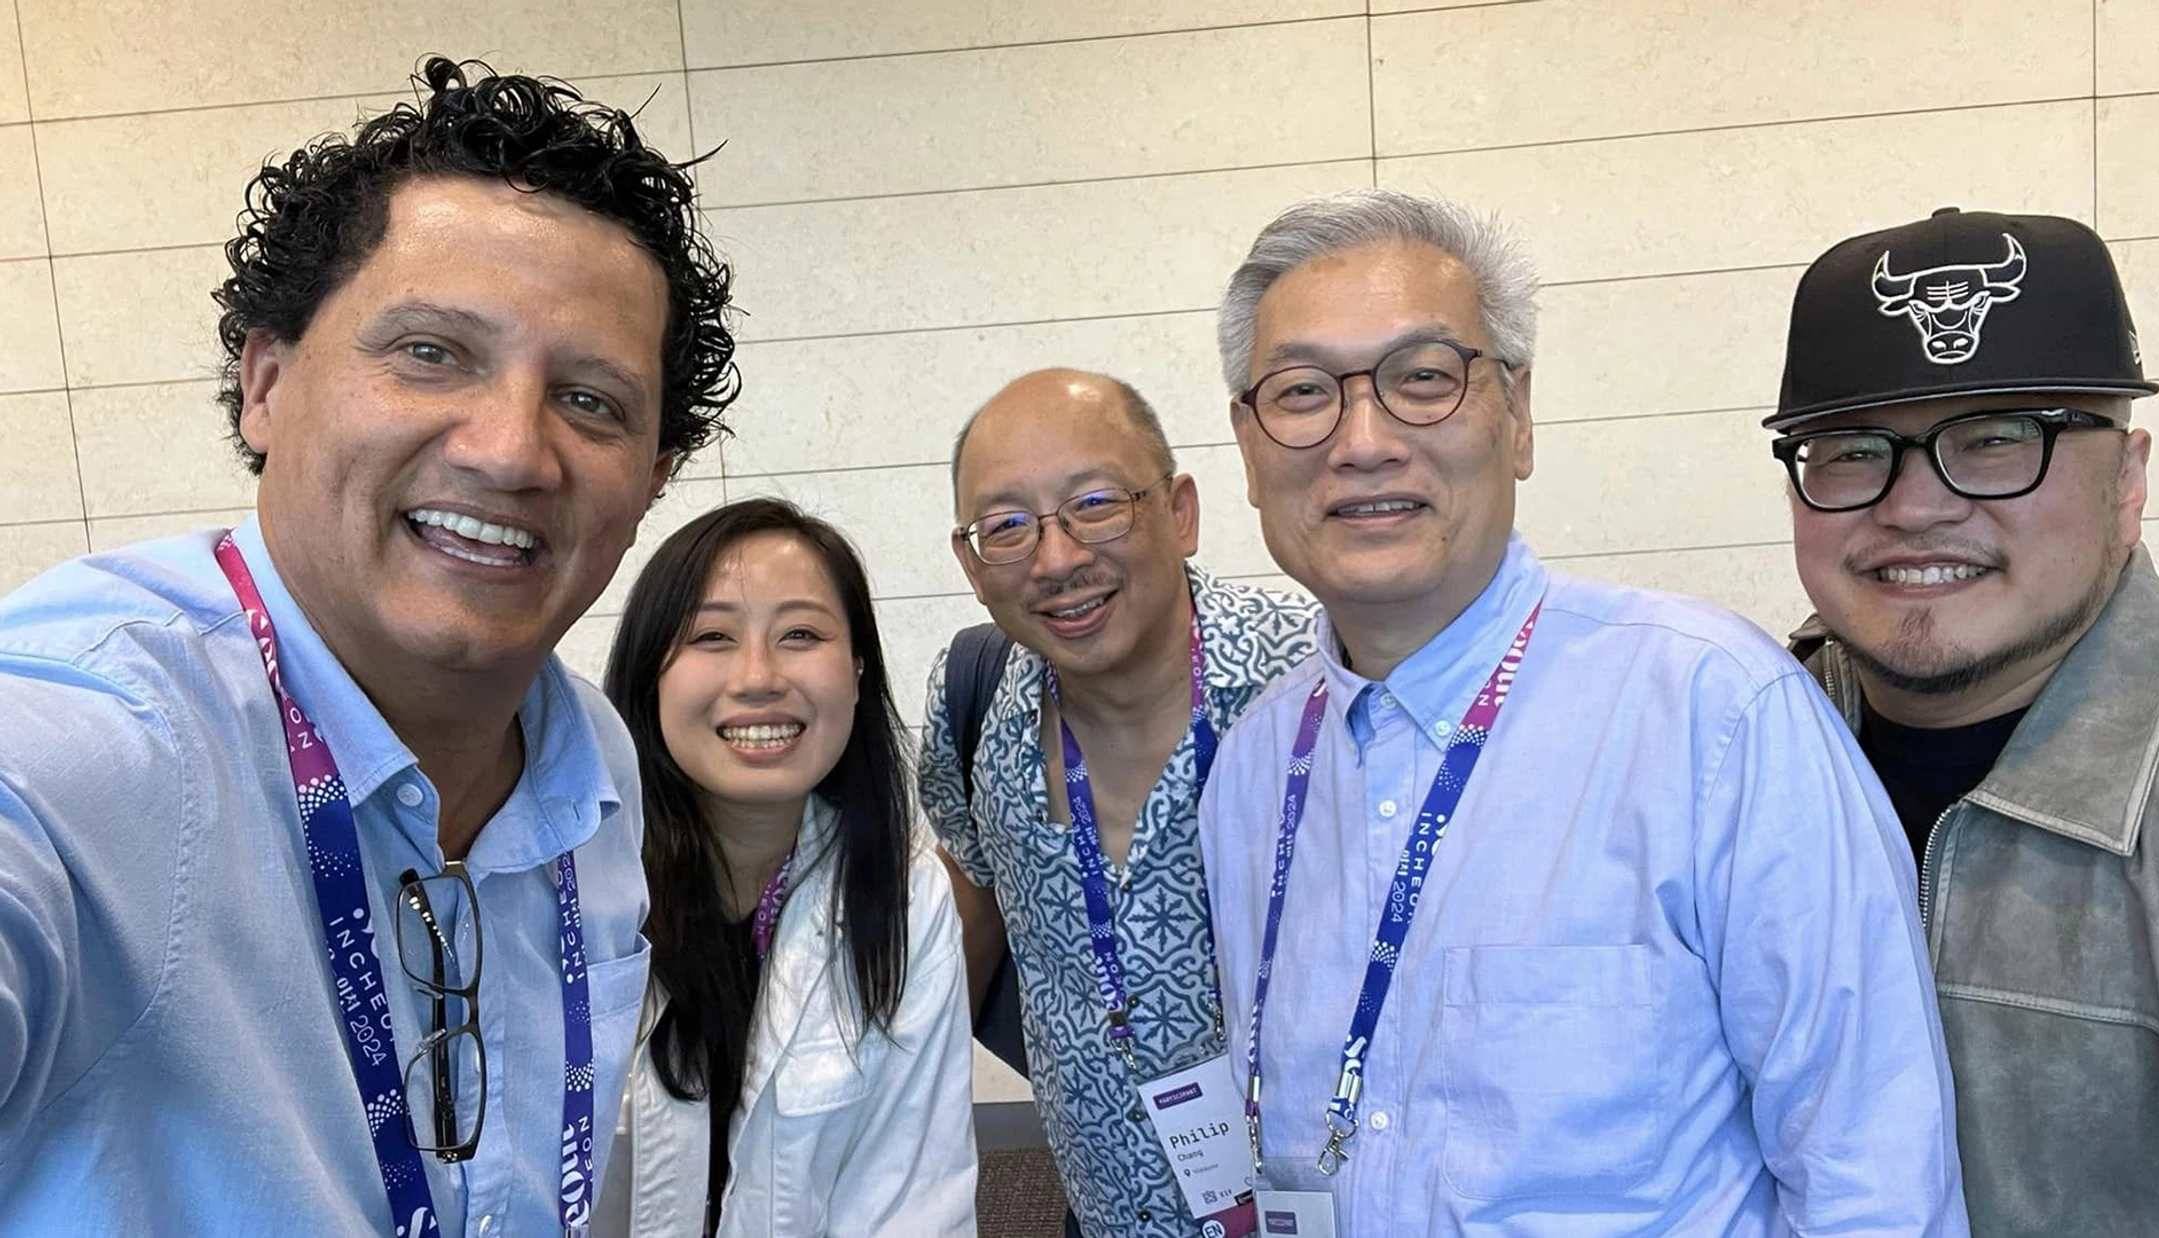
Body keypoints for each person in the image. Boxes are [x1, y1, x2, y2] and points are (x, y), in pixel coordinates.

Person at [0, 57, 736, 1235]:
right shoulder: (106, 733)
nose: (511, 451)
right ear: (268, 382)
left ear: (648, 482)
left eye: (591, 399)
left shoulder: (588, 758)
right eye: (431, 351)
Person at [1196, 188, 1968, 1235]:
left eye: (1423, 378)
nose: (1363, 439)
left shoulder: (1712, 712)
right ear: (1247, 446)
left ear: (1515, 416)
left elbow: (1871, 1177)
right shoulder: (1250, 770)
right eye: (1299, 393)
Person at [1769, 206, 2159, 1235]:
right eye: (1851, 448)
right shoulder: (1735, 754)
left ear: (2128, 481)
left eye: (2000, 438)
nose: (1913, 507)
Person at [918, 369, 1318, 1237]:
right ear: (972, 562)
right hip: (1102, 1208)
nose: (1058, 559)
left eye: (1096, 503)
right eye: (1009, 526)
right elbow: (973, 897)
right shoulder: (970, 698)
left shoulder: (1314, 683)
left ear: (1179, 512)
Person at [592, 499, 978, 1236]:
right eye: (712, 636)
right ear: (651, 677)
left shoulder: (905, 894)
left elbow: (913, 1199)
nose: (759, 677)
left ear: (857, 670)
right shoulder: (572, 886)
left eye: (800, 634)